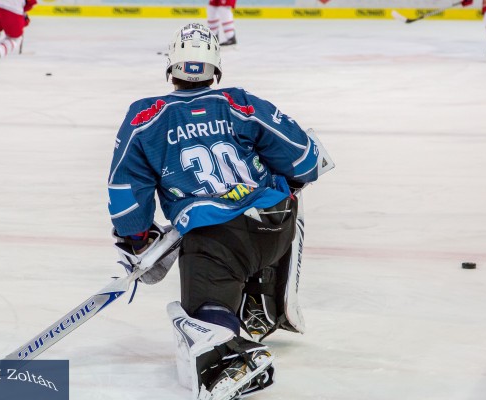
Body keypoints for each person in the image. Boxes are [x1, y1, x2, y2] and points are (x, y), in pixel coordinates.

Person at [108, 23, 333, 400]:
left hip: (216, 243)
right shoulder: (239, 102)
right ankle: (266, 297)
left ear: (170, 65)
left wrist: (137, 238)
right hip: (277, 227)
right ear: (216, 67)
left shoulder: (144, 118)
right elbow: (305, 159)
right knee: (284, 188)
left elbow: (126, 190)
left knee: (204, 317)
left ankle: (228, 353)